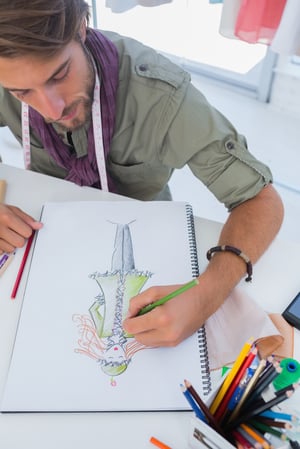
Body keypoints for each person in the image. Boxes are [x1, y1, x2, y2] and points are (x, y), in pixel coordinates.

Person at [0, 0, 284, 348]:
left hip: (146, 251)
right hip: (39, 247)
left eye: (59, 75)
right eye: (22, 93)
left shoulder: (162, 98)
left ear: (81, 29)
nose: (51, 108)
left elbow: (259, 200)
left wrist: (205, 295)